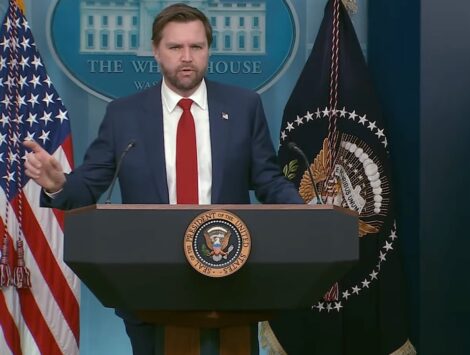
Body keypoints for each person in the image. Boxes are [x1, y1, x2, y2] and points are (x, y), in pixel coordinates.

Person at [23, 3, 302, 354]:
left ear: (208, 51)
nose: (187, 57)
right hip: (148, 286)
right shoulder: (123, 114)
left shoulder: (244, 106)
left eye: (196, 47)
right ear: (156, 51)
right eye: (175, 47)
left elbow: (268, 180)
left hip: (230, 278)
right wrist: (59, 184)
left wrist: (306, 213)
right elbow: (91, 184)